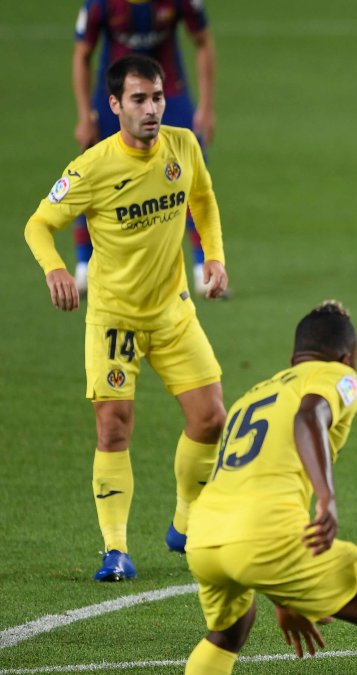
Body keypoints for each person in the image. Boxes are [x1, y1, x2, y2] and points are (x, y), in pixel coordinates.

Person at [24, 54, 230, 581]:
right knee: (114, 429)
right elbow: (38, 225)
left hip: (173, 312)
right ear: (114, 105)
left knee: (211, 418)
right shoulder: (91, 167)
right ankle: (115, 549)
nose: (152, 108)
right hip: (114, 320)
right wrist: (55, 271)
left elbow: (202, 199)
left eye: (157, 97)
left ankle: (184, 524)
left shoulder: (183, 145)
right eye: (139, 99)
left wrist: (214, 258)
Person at [183, 301, 357, 675]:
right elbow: (309, 416)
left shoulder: (253, 395)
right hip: (263, 537)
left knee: (229, 632)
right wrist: (327, 497)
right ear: (347, 357)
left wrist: (285, 600)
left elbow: (259, 481)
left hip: (205, 538)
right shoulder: (337, 376)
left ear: (295, 355)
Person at [72, 0, 219, 296]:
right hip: (115, 96)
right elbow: (82, 55)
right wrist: (85, 114)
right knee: (90, 174)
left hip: (169, 93)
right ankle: (84, 266)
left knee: (192, 173)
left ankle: (203, 267)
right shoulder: (100, 5)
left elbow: (203, 41)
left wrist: (206, 106)